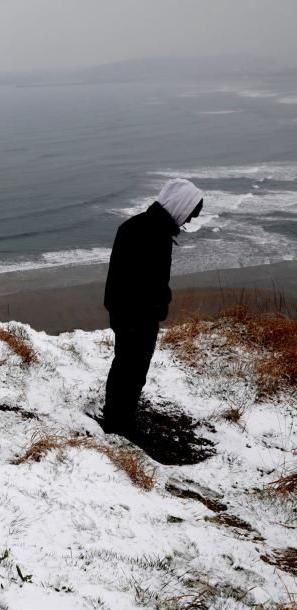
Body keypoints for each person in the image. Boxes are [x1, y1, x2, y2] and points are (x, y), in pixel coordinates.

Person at [102, 178, 204, 435]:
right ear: (180, 206)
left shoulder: (138, 227)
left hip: (128, 312)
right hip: (136, 316)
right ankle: (118, 423)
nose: (189, 221)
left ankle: (119, 415)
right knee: (131, 369)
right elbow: (144, 282)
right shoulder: (152, 234)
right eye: (190, 214)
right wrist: (159, 304)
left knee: (126, 365)